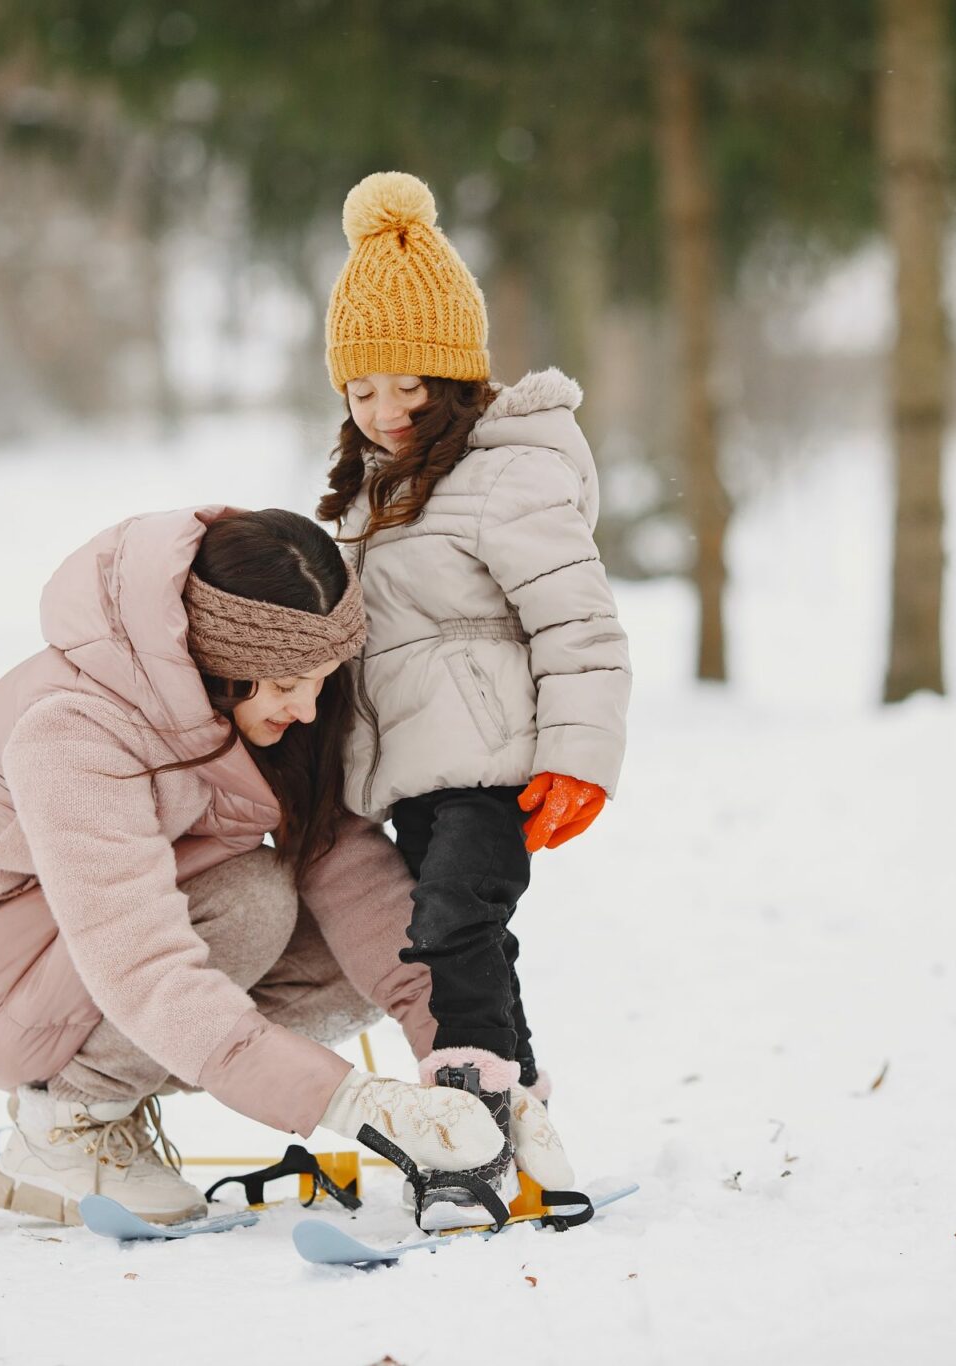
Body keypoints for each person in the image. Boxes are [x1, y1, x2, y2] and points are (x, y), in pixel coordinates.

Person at [0, 505, 567, 1226]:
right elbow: (141, 961)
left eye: (322, 678)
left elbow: (356, 880)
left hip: (104, 942)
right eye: (287, 681)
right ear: (219, 659)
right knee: (254, 900)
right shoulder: (71, 727)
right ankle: (68, 1128)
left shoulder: (272, 711)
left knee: (356, 955)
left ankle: (102, 1101)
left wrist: (471, 1066)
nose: (308, 706)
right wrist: (353, 1103)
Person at [316, 172, 631, 1227]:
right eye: (361, 391)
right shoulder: (371, 495)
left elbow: (577, 623)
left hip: (498, 766)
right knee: (469, 943)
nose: (385, 410)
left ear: (453, 375)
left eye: (407, 385)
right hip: (413, 770)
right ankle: (525, 1118)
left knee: (448, 927)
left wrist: (579, 754)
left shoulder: (509, 475)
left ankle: (465, 1143)